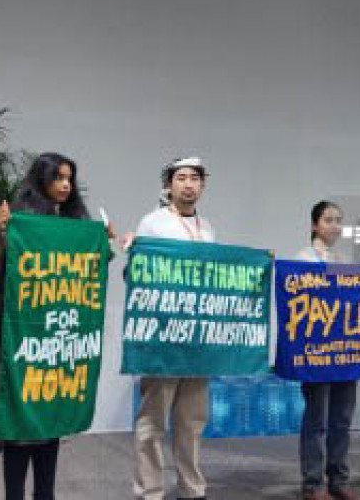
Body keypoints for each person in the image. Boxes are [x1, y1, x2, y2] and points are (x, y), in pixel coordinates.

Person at [0, 152, 111, 500]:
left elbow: (88, 275)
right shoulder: (20, 220)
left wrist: (105, 246)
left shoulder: (75, 222)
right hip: (22, 344)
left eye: (69, 178)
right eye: (58, 177)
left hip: (58, 343)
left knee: (50, 428)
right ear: (41, 180)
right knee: (19, 429)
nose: (65, 185)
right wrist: (2, 235)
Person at [130, 157, 216, 500]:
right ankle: (149, 491)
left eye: (195, 178)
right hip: (163, 336)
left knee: (192, 421)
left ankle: (192, 489)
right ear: (169, 185)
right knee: (152, 421)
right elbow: (138, 271)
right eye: (182, 178)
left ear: (202, 186)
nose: (189, 184)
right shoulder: (152, 223)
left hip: (198, 338)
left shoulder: (208, 229)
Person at [293, 201, 360, 500]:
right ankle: (313, 483)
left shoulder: (345, 260)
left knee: (342, 419)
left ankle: (339, 479)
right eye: (329, 220)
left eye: (339, 220)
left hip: (346, 351)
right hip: (317, 353)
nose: (335, 225)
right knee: (317, 420)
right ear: (314, 225)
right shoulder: (303, 259)